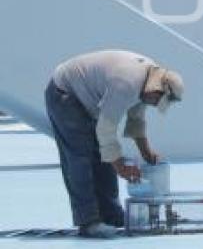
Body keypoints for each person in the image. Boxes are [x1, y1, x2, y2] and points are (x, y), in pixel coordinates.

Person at [45, 50, 184, 238]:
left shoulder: (151, 78)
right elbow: (106, 129)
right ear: (156, 90)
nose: (154, 105)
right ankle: (88, 221)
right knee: (81, 159)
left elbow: (136, 117)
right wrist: (120, 167)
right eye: (157, 101)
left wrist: (146, 151)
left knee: (105, 157)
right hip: (64, 94)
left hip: (86, 98)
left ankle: (111, 215)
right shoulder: (126, 83)